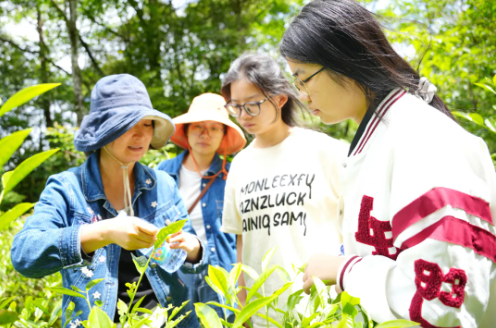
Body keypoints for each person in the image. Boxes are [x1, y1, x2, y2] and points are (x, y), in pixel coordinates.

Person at [280, 1, 496, 327]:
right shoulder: (383, 138)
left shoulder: (421, 138)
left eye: (303, 78)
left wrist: (343, 271)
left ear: (343, 59)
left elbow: (445, 304)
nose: (303, 95)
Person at [11, 74, 208, 328]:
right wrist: (104, 232)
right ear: (104, 130)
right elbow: (25, 254)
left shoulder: (163, 185)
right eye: (127, 125)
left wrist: (193, 249)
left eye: (147, 124)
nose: (140, 135)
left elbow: (196, 265)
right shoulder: (67, 188)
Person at [220, 53, 348, 327]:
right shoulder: (240, 164)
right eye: (235, 107)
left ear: (280, 99)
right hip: (264, 316)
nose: (243, 116)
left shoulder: (326, 151)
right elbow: (242, 243)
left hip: (322, 312)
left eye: (252, 105)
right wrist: (243, 309)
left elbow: (355, 227)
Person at [157, 93, 246, 322]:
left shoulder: (234, 174)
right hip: (175, 273)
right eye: (198, 126)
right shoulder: (162, 173)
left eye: (214, 128)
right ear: (186, 130)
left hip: (219, 276)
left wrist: (243, 291)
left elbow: (242, 238)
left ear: (223, 134)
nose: (205, 134)